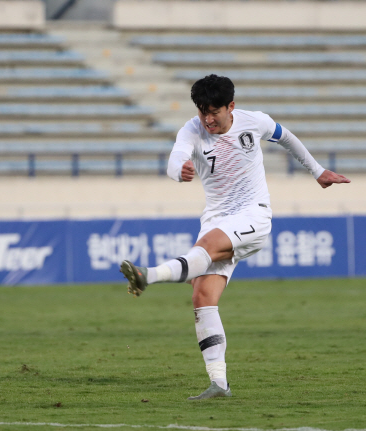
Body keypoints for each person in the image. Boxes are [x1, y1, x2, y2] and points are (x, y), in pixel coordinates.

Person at [120, 74, 350, 400]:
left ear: (231, 106)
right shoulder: (192, 129)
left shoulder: (254, 122)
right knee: (202, 297)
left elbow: (287, 138)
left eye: (214, 111)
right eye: (202, 111)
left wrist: (317, 171)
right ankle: (219, 383)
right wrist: (179, 171)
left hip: (253, 214)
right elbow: (175, 157)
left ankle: (148, 276)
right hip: (216, 218)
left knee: (206, 247)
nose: (207, 119)